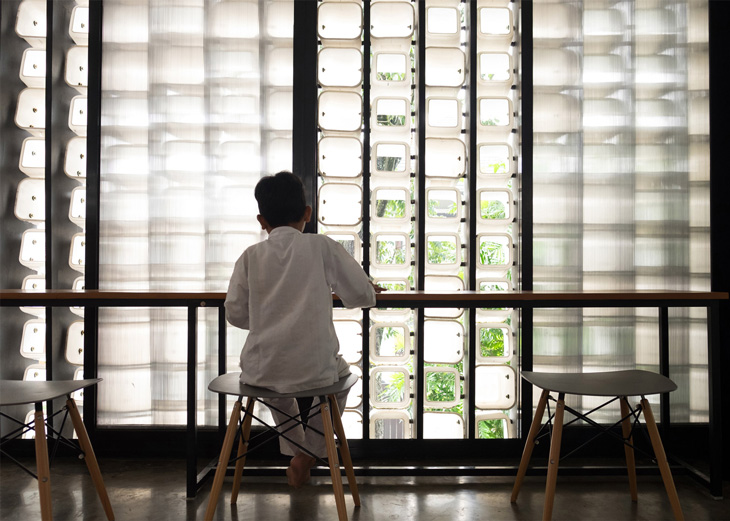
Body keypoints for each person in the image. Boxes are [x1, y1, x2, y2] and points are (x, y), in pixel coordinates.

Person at [225, 171, 381, 488]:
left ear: (262, 221)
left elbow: (235, 313)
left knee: (276, 390)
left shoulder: (250, 256)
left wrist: (268, 318)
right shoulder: (321, 246)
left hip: (262, 369)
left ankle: (300, 454)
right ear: (307, 213)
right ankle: (306, 456)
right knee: (342, 380)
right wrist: (368, 287)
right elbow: (360, 296)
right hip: (315, 368)